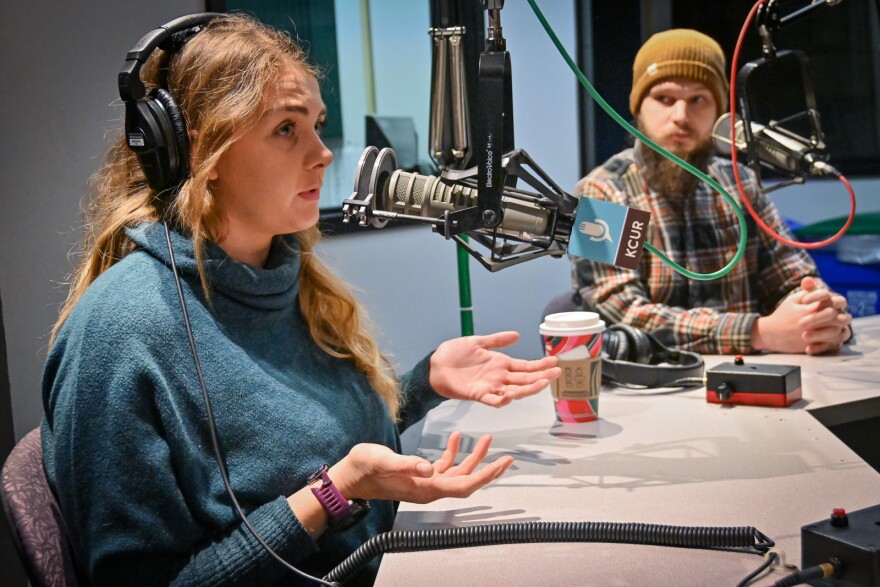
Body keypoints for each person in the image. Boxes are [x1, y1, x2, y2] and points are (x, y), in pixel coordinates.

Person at [41, 13, 560, 586]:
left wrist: (423, 382)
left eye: (317, 123)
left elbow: (305, 441)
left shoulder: (281, 275)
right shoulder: (120, 332)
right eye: (286, 129)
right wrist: (334, 495)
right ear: (197, 154)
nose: (323, 153)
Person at [570, 29, 852, 356]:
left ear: (719, 111)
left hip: (751, 382)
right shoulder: (600, 194)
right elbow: (625, 313)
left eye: (697, 100)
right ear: (639, 108)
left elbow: (791, 277)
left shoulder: (741, 183)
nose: (680, 116)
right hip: (652, 391)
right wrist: (758, 333)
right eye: (664, 99)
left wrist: (817, 316)